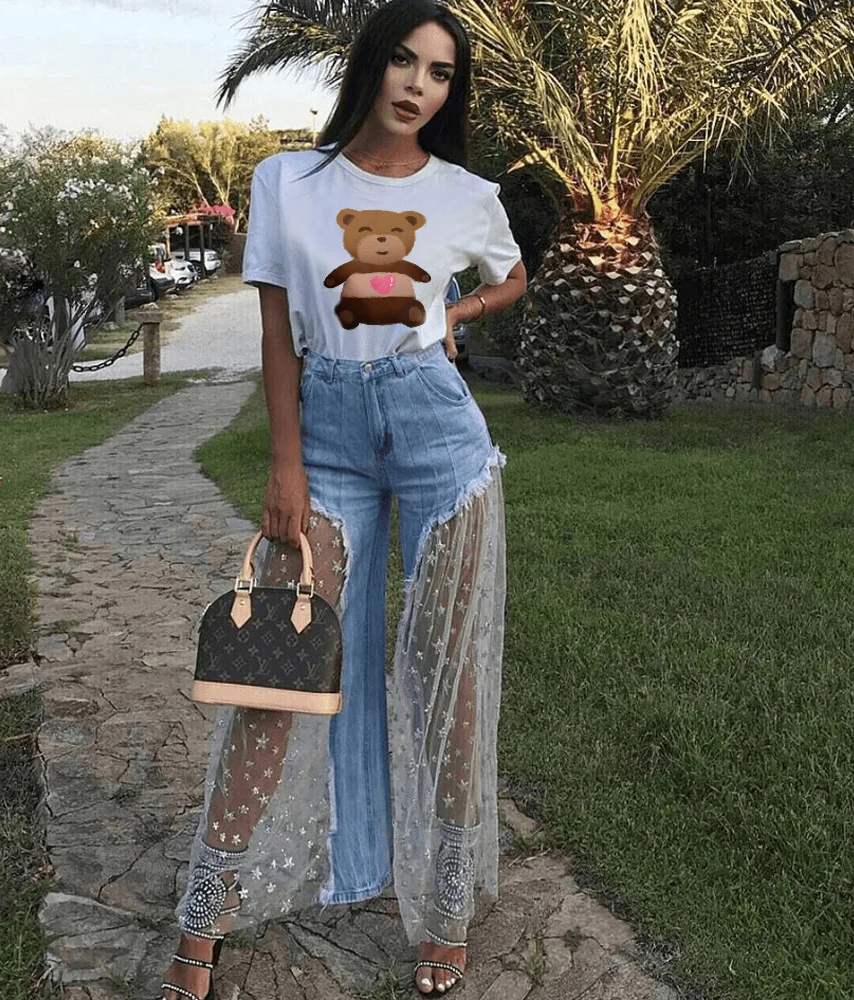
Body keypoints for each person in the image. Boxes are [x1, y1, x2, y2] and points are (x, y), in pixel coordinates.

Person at [157, 1, 527, 998]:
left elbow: (514, 275)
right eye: (404, 60)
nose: (418, 85)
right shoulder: (288, 180)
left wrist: (454, 311)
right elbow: (277, 332)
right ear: (370, 63)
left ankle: (446, 908)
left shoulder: (465, 194)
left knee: (447, 677)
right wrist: (285, 466)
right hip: (324, 436)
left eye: (440, 73)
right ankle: (203, 915)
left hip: (440, 434)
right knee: (280, 672)